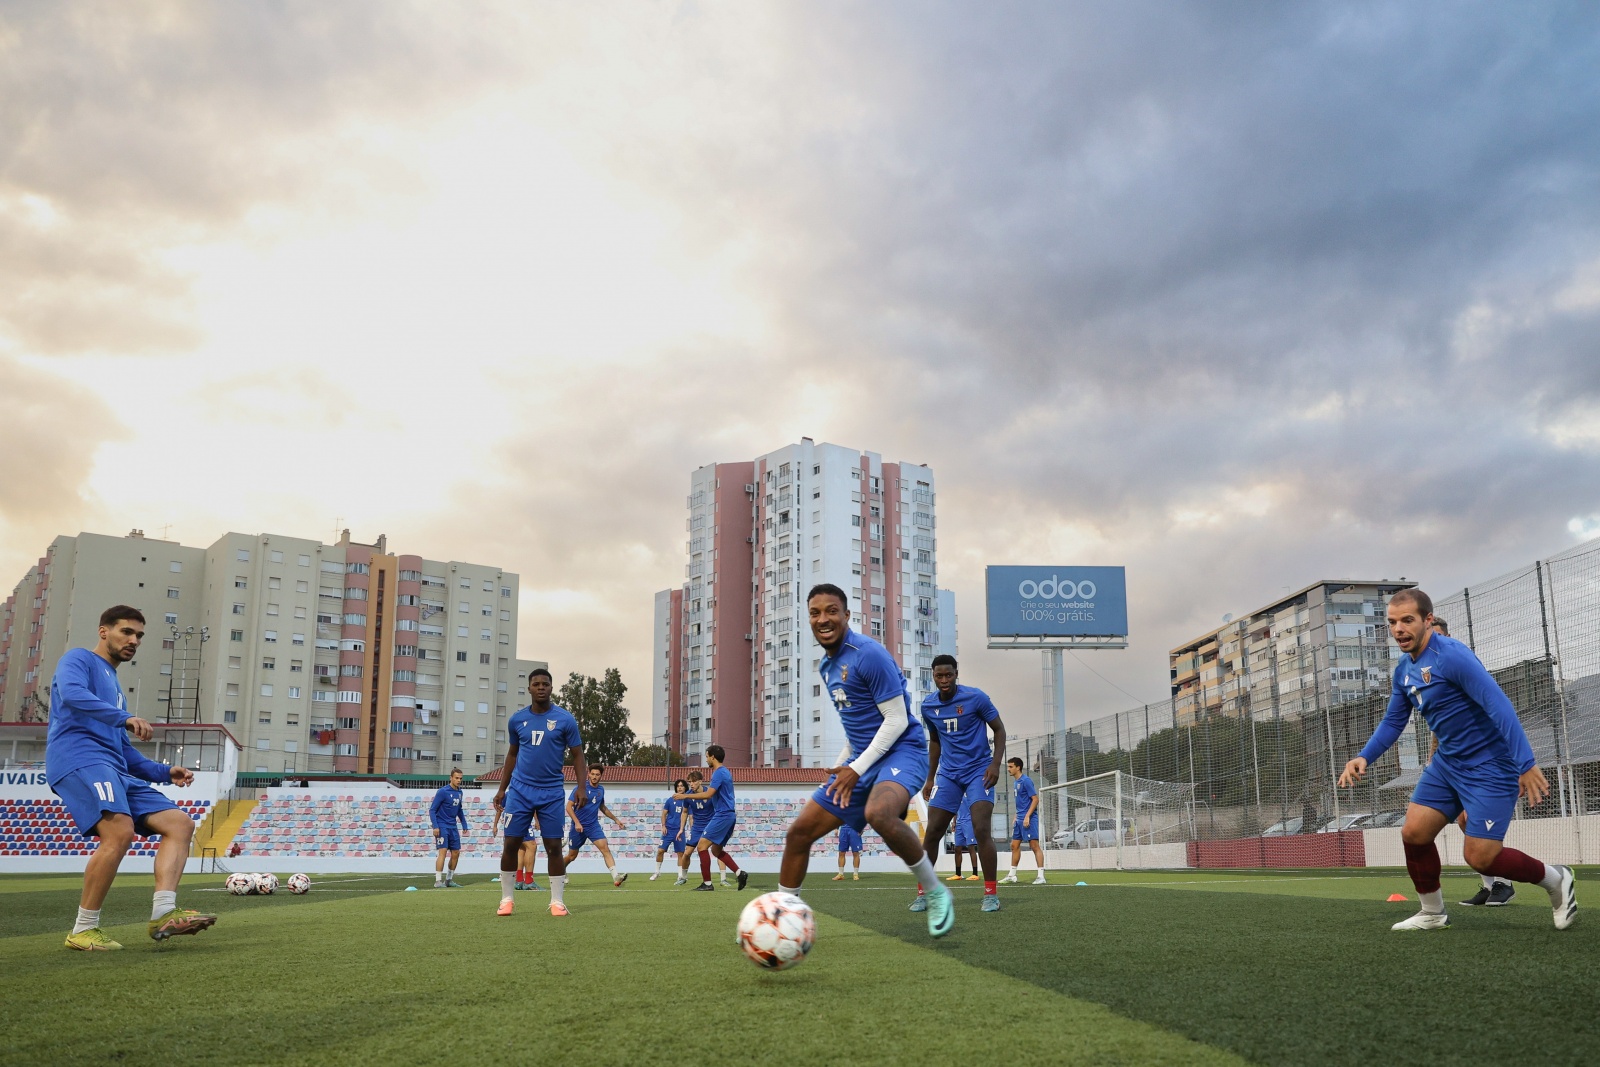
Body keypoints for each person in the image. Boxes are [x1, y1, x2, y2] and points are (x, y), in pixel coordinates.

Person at [1339, 589, 1575, 931]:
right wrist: (1364, 756)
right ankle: (1432, 912)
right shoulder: (1403, 670)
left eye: (1407, 620)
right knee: (1414, 833)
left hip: (1491, 765)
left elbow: (1499, 705)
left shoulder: (1453, 656)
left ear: (1427, 620)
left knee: (1480, 856)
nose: (1399, 629)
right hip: (1448, 764)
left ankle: (1556, 880)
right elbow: (1393, 721)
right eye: (1392, 622)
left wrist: (1526, 763)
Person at [777, 584, 951, 937]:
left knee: (878, 813)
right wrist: (845, 763)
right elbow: (857, 726)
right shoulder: (827, 667)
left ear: (846, 615)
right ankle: (780, 916)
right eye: (815, 612)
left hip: (903, 750)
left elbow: (896, 719)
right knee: (798, 834)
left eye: (831, 611)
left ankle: (935, 891)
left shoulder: (868, 654)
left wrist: (855, 768)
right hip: (862, 759)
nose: (823, 619)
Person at [47, 605, 216, 950]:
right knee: (120, 831)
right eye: (126, 631)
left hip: (115, 768)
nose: (134, 640)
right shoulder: (78, 659)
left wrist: (165, 772)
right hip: (79, 759)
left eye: (139, 635)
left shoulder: (116, 687)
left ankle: (164, 913)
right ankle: (82, 929)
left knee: (180, 823)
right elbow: (74, 695)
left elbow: (124, 752)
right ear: (103, 631)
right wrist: (124, 716)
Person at [1425, 616, 1515, 908]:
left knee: (1476, 822)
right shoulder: (1435, 682)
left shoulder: (1464, 669)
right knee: (1464, 821)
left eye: (1437, 636)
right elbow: (1439, 733)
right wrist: (1432, 765)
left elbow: (1497, 713)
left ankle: (1505, 882)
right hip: (1456, 766)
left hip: (1487, 762)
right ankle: (1491, 884)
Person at [913, 654, 1007, 913]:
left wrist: (995, 764)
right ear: (932, 676)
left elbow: (999, 730)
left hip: (979, 771)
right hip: (949, 775)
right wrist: (930, 777)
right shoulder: (928, 706)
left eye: (948, 675)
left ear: (956, 674)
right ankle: (924, 894)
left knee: (980, 829)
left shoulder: (976, 698)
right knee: (932, 832)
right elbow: (935, 741)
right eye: (938, 676)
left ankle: (990, 894)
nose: (944, 680)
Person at [492, 667, 586, 917]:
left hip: (552, 792)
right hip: (520, 790)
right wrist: (502, 789)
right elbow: (512, 754)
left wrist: (582, 787)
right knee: (511, 843)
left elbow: (578, 755)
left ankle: (557, 902)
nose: (541, 687)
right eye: (537, 684)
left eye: (545, 684)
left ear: (551, 688)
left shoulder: (565, 719)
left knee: (554, 846)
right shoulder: (517, 719)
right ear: (530, 688)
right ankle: (507, 899)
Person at [679, 745, 746, 891]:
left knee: (702, 846)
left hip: (723, 814)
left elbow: (708, 794)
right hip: (728, 815)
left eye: (707, 756)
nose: (706, 759)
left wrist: (685, 795)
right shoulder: (724, 772)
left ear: (713, 757)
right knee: (716, 850)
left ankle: (707, 884)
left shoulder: (718, 773)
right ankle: (740, 873)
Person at [562, 765, 629, 886]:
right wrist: (577, 822)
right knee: (572, 856)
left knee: (605, 848)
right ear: (588, 774)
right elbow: (568, 806)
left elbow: (602, 807)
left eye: (597, 775)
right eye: (592, 774)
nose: (594, 777)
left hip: (593, 826)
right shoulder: (580, 788)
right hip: (578, 827)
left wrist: (616, 820)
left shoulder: (601, 790)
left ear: (601, 776)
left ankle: (616, 877)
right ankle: (561, 869)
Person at [1003, 758, 1046, 884]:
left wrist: (1027, 816)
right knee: (1014, 845)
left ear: (1018, 767)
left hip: (1029, 819)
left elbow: (1035, 799)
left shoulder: (1026, 781)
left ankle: (1041, 876)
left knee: (1034, 846)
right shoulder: (1016, 782)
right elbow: (1021, 801)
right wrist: (1017, 815)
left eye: (1011, 767)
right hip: (1019, 819)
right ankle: (1012, 875)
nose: (1008, 769)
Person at [430, 767, 469, 888]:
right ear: (451, 778)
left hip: (453, 826)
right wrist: (435, 826)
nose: (458, 780)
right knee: (442, 852)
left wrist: (464, 824)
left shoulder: (460, 792)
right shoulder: (443, 792)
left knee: (456, 852)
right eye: (456, 778)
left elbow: (459, 810)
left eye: (460, 778)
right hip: (442, 826)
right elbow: (432, 810)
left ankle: (449, 880)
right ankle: (437, 881)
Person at [676, 770, 714, 885]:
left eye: (693, 781)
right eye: (690, 782)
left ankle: (723, 878)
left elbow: (718, 810)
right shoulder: (688, 795)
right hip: (697, 827)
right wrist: (681, 829)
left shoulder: (710, 793)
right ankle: (683, 877)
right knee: (687, 853)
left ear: (700, 781)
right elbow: (685, 812)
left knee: (718, 850)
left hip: (710, 826)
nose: (691, 784)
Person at [651, 779, 690, 880]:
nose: (680, 788)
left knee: (680, 853)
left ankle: (680, 875)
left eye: (682, 786)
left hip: (679, 831)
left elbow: (690, 816)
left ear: (685, 787)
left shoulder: (687, 801)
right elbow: (664, 814)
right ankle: (657, 872)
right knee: (660, 850)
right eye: (678, 786)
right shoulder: (670, 800)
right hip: (668, 830)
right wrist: (663, 826)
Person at [946, 797, 980, 882]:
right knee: (957, 848)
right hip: (959, 822)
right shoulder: (958, 793)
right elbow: (956, 808)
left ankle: (975, 874)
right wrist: (954, 822)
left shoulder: (970, 793)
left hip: (968, 822)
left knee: (970, 847)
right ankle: (958, 874)